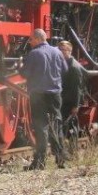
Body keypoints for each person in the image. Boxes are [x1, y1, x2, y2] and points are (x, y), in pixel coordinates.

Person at [21, 28, 67, 170]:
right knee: (56, 125)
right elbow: (65, 69)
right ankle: (60, 159)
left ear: (38, 39)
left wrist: (20, 67)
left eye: (31, 39)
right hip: (55, 94)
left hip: (38, 95)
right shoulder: (57, 52)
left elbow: (25, 73)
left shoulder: (34, 54)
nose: (30, 42)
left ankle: (40, 162)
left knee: (41, 127)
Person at [58, 40, 88, 136]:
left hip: (69, 101)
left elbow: (77, 88)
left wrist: (75, 105)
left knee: (65, 124)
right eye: (59, 49)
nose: (60, 52)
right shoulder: (64, 63)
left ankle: (69, 142)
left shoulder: (74, 67)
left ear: (69, 51)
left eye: (63, 50)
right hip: (63, 97)